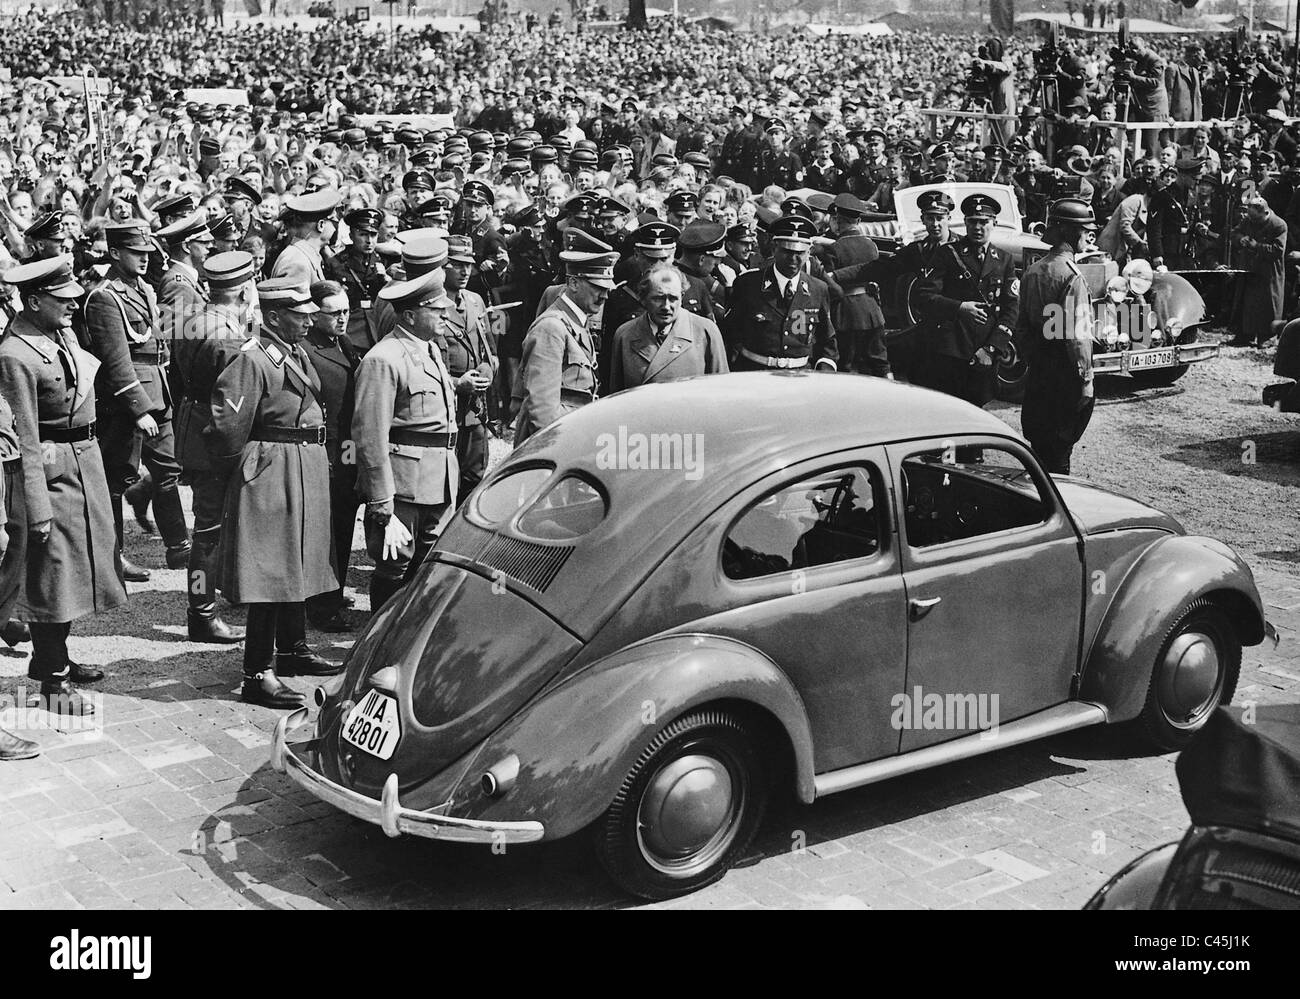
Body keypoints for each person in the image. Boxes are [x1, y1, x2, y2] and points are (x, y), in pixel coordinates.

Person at [0, 257, 126, 718]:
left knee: (73, 571)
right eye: (62, 299)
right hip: (50, 477)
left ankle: (56, 658)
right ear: (33, 301)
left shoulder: (59, 335)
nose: (73, 304)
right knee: (51, 577)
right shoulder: (14, 355)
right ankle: (51, 679)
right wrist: (36, 505)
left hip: (84, 465)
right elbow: (25, 437)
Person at [206, 278, 341, 709]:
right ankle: (257, 672)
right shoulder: (252, 358)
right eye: (299, 316)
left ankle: (292, 650)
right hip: (272, 466)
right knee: (270, 573)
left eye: (308, 315)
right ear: (275, 316)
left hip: (302, 463)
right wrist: (246, 470)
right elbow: (227, 428)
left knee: (297, 562)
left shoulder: (292, 350)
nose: (308, 322)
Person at [82, 220, 191, 584]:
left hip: (157, 390)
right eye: (135, 253)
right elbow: (115, 360)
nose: (144, 259)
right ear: (115, 252)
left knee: (168, 470)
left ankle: (179, 546)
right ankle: (114, 556)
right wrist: (138, 407)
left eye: (146, 253)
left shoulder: (142, 287)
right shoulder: (104, 297)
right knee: (117, 478)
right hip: (125, 403)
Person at [353, 266, 460, 613]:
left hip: (438, 478)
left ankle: (409, 640)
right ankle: (380, 640)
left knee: (429, 566)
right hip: (403, 483)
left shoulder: (428, 349)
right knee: (394, 564)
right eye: (436, 308)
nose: (445, 313)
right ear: (411, 315)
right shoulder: (384, 359)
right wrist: (381, 499)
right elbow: (370, 436)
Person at [170, 251, 251, 645]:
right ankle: (202, 614)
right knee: (209, 532)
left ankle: (206, 607)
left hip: (192, 427)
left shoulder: (193, 320)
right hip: (215, 441)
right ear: (243, 290)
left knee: (207, 528)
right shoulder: (227, 334)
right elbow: (234, 402)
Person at [512, 229, 616, 447]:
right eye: (598, 287)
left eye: (607, 288)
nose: (604, 295)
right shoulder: (551, 328)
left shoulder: (577, 322)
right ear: (574, 283)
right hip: (554, 444)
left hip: (573, 433)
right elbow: (542, 411)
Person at [913, 194, 1018, 407]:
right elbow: (924, 296)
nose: (977, 227)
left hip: (986, 351)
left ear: (994, 223)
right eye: (972, 221)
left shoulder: (1004, 260)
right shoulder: (948, 254)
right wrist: (960, 307)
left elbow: (1012, 308)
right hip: (951, 352)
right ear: (965, 223)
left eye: (983, 222)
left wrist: (991, 348)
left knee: (978, 409)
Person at [1017, 199, 1098, 475]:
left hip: (1039, 369)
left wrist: (1035, 357)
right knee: (1061, 453)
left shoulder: (1032, 271)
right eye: (1083, 230)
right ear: (1069, 233)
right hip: (1065, 372)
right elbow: (1078, 337)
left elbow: (1022, 326)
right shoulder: (1072, 277)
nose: (1089, 236)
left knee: (1040, 447)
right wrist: (1086, 380)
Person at [302, 280, 363, 633]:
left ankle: (333, 591)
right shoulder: (307, 350)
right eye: (335, 313)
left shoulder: (342, 340)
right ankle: (321, 606)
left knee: (342, 522)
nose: (343, 318)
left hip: (346, 448)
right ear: (315, 314)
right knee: (326, 530)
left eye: (346, 311)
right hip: (324, 450)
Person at [723, 215, 838, 373]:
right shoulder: (748, 284)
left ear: (809, 253)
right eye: (786, 251)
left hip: (800, 376)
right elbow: (729, 332)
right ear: (774, 248)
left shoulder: (818, 289)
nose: (793, 259)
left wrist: (824, 371)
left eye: (800, 253)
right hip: (754, 374)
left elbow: (827, 341)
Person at [607, 264, 728, 393]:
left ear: (682, 297)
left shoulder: (705, 331)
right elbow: (617, 397)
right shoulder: (625, 334)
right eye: (658, 298)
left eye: (673, 298)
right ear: (643, 299)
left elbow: (721, 393)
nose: (666, 306)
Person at [441, 235, 497, 501]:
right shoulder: (432, 305)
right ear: (443, 265)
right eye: (457, 264)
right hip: (445, 408)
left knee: (474, 477)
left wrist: (488, 370)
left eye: (469, 264)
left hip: (475, 409)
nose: (465, 271)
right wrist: (456, 383)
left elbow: (489, 349)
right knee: (444, 480)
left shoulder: (475, 301)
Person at [820, 193, 889, 377]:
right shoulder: (871, 245)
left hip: (845, 313)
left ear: (837, 221)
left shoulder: (834, 248)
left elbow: (828, 285)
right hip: (872, 310)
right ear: (858, 220)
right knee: (878, 361)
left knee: (845, 364)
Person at [324, 207, 387, 354]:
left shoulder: (383, 261)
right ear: (351, 235)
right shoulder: (336, 263)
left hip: (378, 325)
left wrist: (386, 280)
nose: (369, 241)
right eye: (363, 234)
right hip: (351, 328)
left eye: (373, 235)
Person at [1227, 196, 1287, 347]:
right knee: (1245, 300)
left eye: (1257, 220)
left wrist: (1256, 246)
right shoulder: (1248, 220)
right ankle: (1244, 335)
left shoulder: (1278, 225)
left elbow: (1278, 250)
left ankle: (1267, 336)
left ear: (1266, 213)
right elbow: (1235, 233)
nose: (1253, 223)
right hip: (1249, 266)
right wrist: (1241, 239)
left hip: (1269, 270)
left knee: (1268, 303)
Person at [270, 189, 342, 288]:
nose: (335, 227)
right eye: (333, 220)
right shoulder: (297, 262)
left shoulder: (308, 254)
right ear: (321, 225)